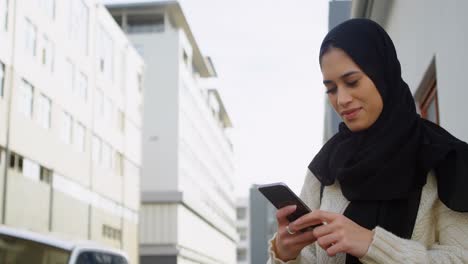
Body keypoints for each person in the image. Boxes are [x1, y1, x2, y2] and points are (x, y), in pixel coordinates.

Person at [267, 18, 468, 264]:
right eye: (331, 88)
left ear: (382, 73)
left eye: (352, 82)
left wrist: (371, 244)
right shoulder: (326, 167)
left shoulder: (445, 159)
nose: (341, 99)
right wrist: (285, 255)